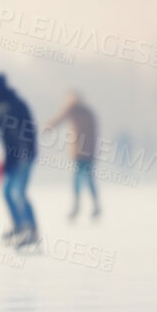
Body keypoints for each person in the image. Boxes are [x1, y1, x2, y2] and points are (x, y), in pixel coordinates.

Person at [0, 74, 38, 249]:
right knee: (8, 191)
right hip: (13, 156)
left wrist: (20, 154)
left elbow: (20, 133)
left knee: (18, 193)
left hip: (22, 156)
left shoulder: (11, 105)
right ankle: (20, 226)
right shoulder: (3, 104)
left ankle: (30, 230)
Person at [43, 90, 101, 221]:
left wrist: (48, 127)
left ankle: (86, 206)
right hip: (81, 153)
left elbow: (59, 118)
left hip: (85, 153)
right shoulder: (85, 112)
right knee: (82, 180)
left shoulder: (77, 111)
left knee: (84, 180)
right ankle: (82, 206)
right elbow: (60, 118)